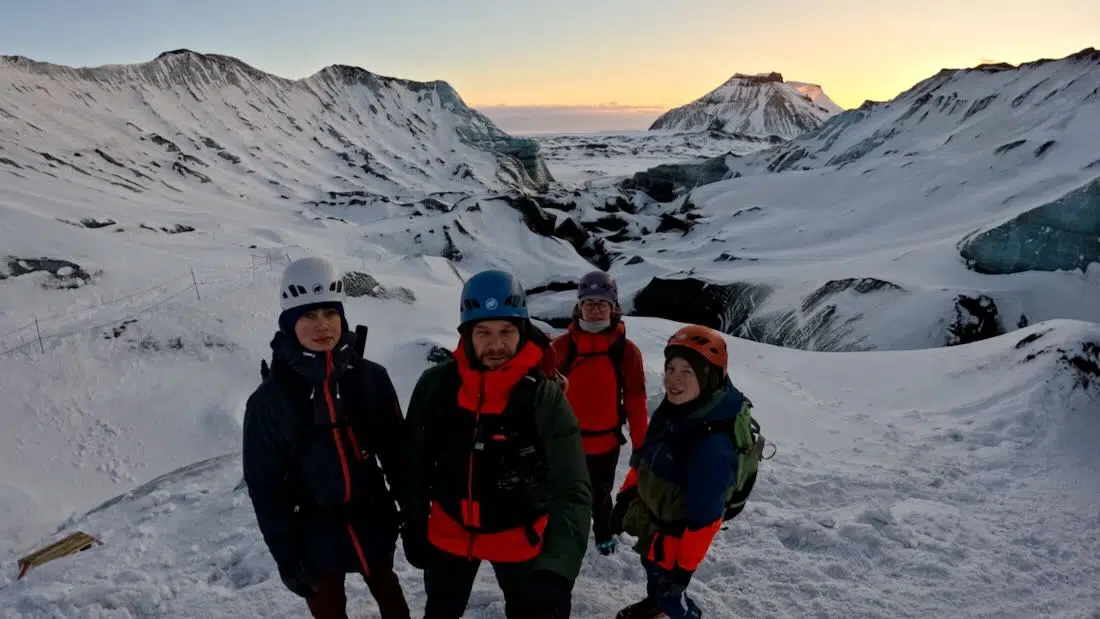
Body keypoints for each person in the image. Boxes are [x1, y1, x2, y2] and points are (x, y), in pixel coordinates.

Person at [399, 269, 593, 619]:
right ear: (466, 335)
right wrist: (413, 524)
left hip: (520, 537)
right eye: (483, 332)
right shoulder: (436, 387)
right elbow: (414, 462)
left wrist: (558, 566)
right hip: (449, 532)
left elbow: (572, 487)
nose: (496, 345)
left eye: (506, 331)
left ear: (522, 333)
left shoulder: (542, 395)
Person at [242, 256, 410, 619]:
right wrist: (287, 558)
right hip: (312, 537)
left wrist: (414, 519)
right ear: (289, 324)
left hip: (374, 523)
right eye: (307, 316)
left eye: (329, 313)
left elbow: (399, 456)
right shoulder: (269, 403)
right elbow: (265, 487)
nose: (322, 326)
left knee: (391, 597)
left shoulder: (370, 379)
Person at [610, 325, 749, 619]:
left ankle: (681, 612)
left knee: (669, 589)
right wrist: (625, 497)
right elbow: (645, 457)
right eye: (671, 368)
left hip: (677, 536)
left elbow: (704, 520)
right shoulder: (674, 409)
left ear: (709, 376)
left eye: (688, 371)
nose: (674, 379)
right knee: (653, 569)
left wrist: (683, 572)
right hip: (655, 519)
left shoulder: (712, 446)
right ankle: (657, 604)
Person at [550, 270, 648, 556]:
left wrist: (641, 447)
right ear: (578, 307)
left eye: (601, 303)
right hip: (566, 441)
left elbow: (635, 399)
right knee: (562, 492)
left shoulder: (626, 351)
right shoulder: (560, 347)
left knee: (600, 495)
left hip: (605, 443)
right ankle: (565, 536)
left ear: (614, 307)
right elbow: (544, 397)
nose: (594, 308)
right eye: (588, 302)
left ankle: (602, 529)